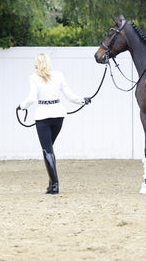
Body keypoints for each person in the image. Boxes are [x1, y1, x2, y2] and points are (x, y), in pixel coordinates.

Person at [18, 53, 91, 195]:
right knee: (49, 149)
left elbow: (32, 99)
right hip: (58, 116)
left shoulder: (33, 78)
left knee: (47, 150)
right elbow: (70, 96)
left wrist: (21, 106)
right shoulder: (59, 75)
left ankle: (55, 185)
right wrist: (83, 100)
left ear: (37, 63)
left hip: (43, 117)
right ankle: (51, 184)